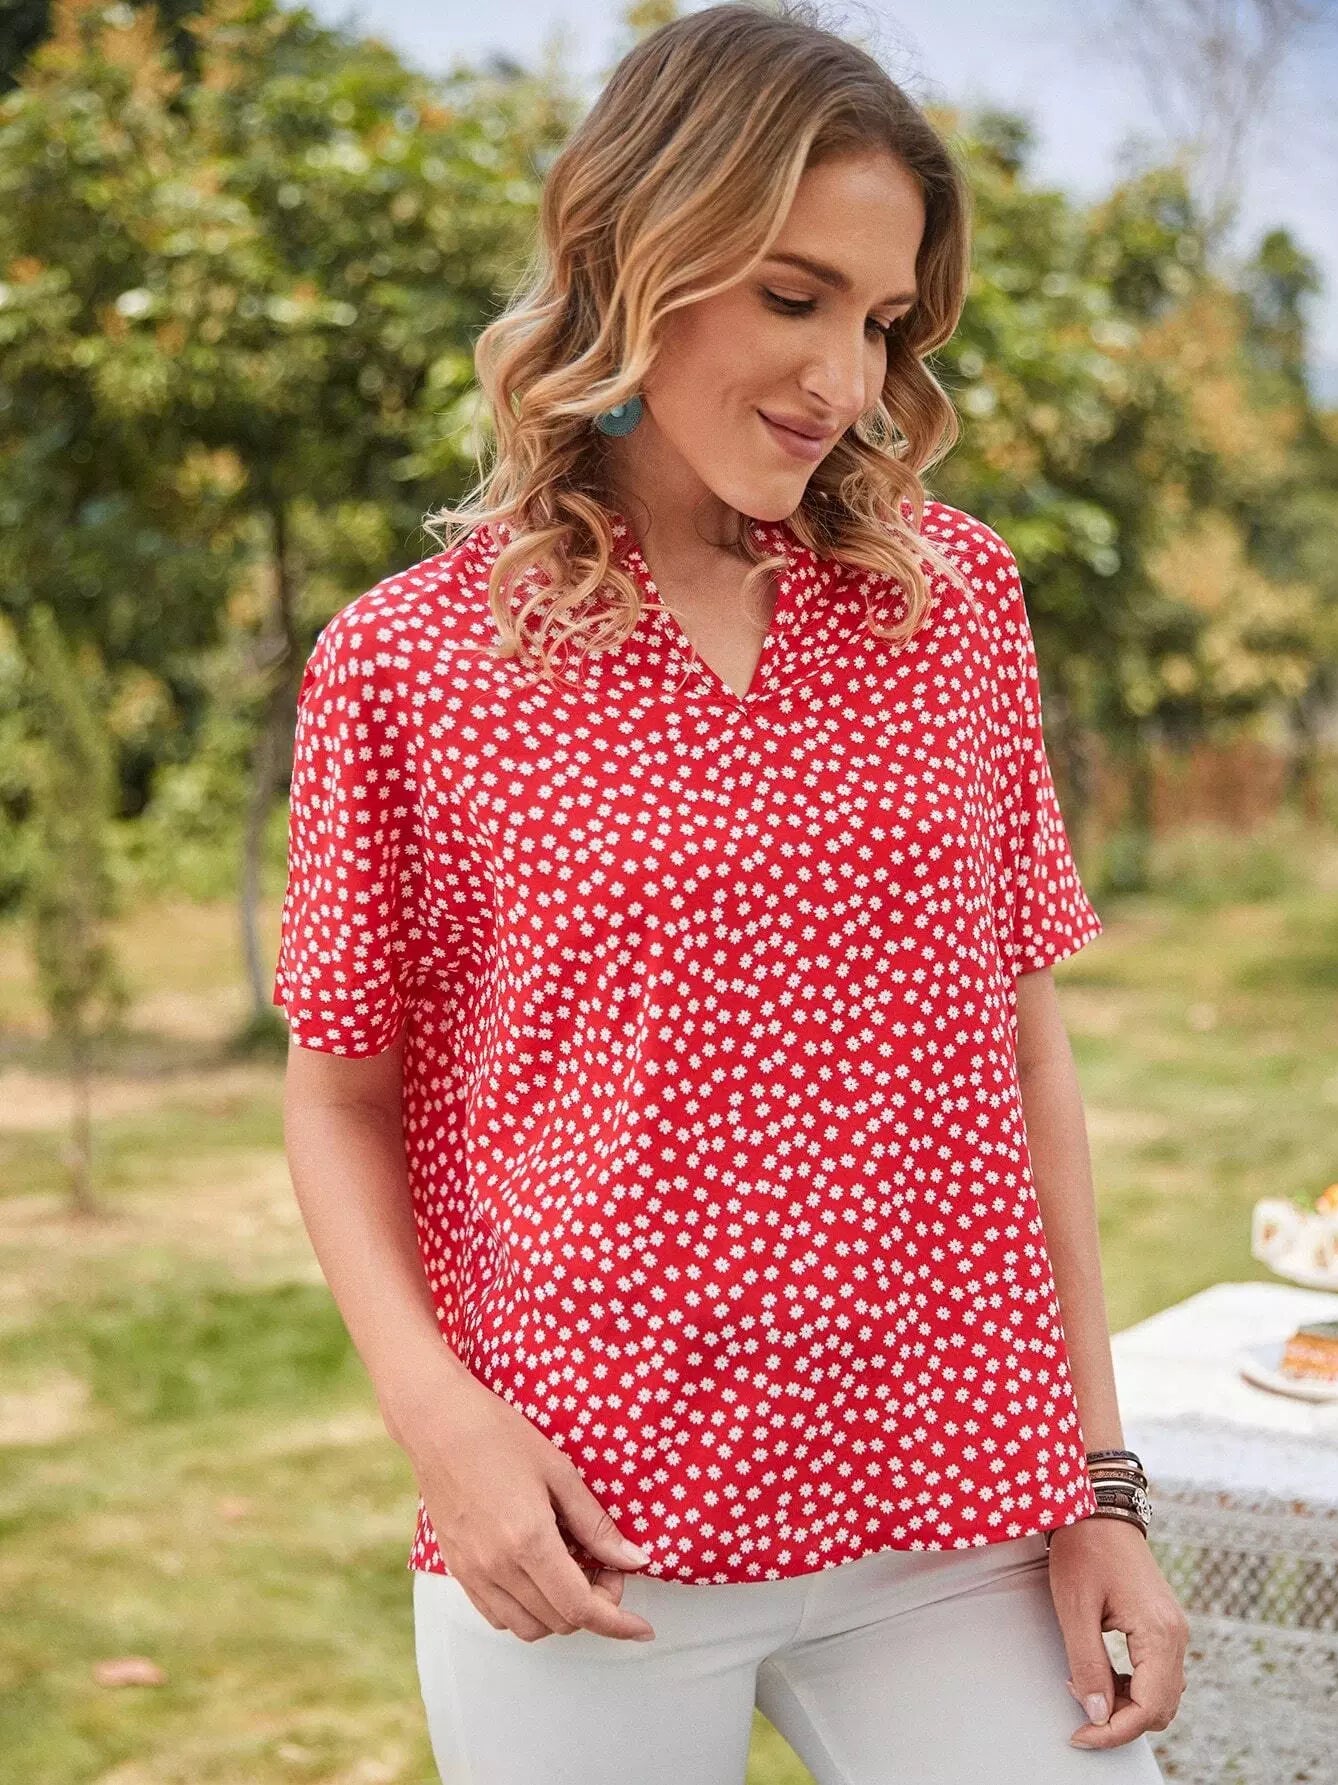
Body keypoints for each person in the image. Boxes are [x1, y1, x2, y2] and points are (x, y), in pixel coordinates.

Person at [272, 5, 1190, 1781]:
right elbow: (338, 1095)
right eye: (793, 295)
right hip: (590, 1526)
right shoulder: (408, 661)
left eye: (883, 320)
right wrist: (444, 1424)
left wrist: (1097, 1481)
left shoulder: (952, 604)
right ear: (636, 252)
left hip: (957, 1507)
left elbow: (1022, 1049)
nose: (845, 377)